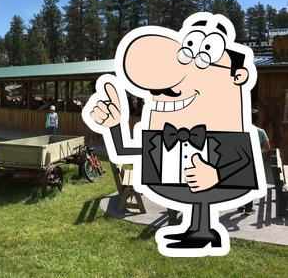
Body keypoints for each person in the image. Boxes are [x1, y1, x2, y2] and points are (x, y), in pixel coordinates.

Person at [87, 13, 262, 253]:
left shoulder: (227, 134)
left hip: (217, 183)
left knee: (204, 190)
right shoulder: (164, 133)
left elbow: (243, 161)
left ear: (237, 76)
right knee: (197, 192)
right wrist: (116, 123)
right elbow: (124, 151)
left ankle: (202, 230)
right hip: (171, 184)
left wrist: (216, 174)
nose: (164, 93)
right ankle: (198, 230)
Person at [239, 109, 271, 214]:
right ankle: (248, 208)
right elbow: (267, 147)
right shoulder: (261, 132)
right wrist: (258, 151)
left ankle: (240, 205)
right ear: (258, 119)